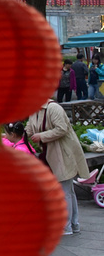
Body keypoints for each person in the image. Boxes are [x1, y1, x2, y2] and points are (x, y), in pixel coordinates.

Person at [27, 99, 90, 235]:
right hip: (51, 155)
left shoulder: (53, 108)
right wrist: (10, 135)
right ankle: (73, 224)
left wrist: (41, 136)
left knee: (65, 191)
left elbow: (62, 128)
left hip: (63, 153)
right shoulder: (34, 111)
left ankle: (67, 227)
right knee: (68, 191)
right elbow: (29, 130)